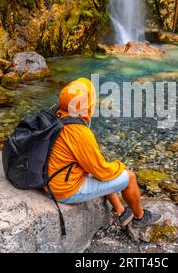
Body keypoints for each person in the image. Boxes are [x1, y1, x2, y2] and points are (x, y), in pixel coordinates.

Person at [45, 77, 162, 228]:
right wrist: (121, 167)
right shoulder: (79, 132)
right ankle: (140, 217)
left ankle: (121, 211)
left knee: (96, 163)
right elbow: (101, 171)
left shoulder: (55, 114)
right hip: (63, 190)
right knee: (129, 177)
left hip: (49, 179)